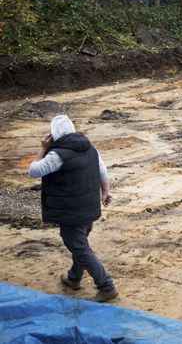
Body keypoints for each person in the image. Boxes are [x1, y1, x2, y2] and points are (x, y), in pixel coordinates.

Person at [28, 115, 118, 303]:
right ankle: (74, 278)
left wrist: (43, 149)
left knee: (79, 246)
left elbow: (33, 171)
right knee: (79, 244)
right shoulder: (90, 147)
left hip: (71, 211)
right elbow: (102, 171)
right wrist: (105, 192)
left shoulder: (57, 155)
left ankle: (106, 287)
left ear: (54, 134)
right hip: (88, 208)